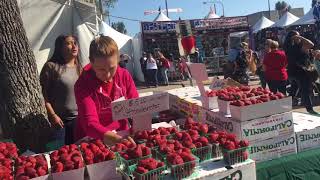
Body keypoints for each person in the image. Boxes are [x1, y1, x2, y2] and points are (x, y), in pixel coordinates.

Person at [74, 36, 138, 144]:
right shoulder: (82, 85)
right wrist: (117, 139)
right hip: (93, 139)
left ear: (118, 59)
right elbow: (90, 123)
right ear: (91, 61)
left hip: (122, 133)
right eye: (101, 69)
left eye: (112, 68)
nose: (108, 75)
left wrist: (137, 128)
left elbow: (137, 107)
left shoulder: (124, 76)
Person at [40, 35, 82, 145]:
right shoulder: (51, 67)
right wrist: (53, 115)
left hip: (79, 121)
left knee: (79, 155)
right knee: (60, 156)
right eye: (68, 43)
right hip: (59, 122)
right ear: (60, 48)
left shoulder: (80, 68)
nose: (74, 46)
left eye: (75, 42)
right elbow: (43, 95)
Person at [284, 30, 318, 114]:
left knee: (295, 90)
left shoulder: (289, 47)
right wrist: (300, 38)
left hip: (294, 72)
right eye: (297, 36)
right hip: (301, 72)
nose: (299, 38)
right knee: (304, 90)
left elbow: (311, 45)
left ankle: (286, 107)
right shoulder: (296, 46)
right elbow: (311, 44)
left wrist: (299, 37)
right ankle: (309, 109)